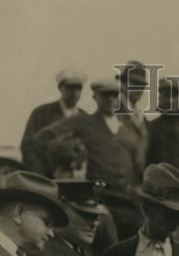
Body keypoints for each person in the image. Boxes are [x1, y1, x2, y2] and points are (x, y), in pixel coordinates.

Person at [30, 78, 143, 240]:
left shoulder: (127, 129)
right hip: (96, 197)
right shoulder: (82, 122)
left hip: (125, 202)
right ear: (95, 97)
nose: (111, 99)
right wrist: (62, 165)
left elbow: (138, 162)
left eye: (115, 95)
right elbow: (42, 138)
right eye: (105, 95)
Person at [19, 69, 88, 164]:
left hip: (78, 175)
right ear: (60, 88)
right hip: (47, 175)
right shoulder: (41, 113)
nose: (75, 93)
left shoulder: (85, 117)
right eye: (70, 88)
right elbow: (28, 147)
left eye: (78, 88)